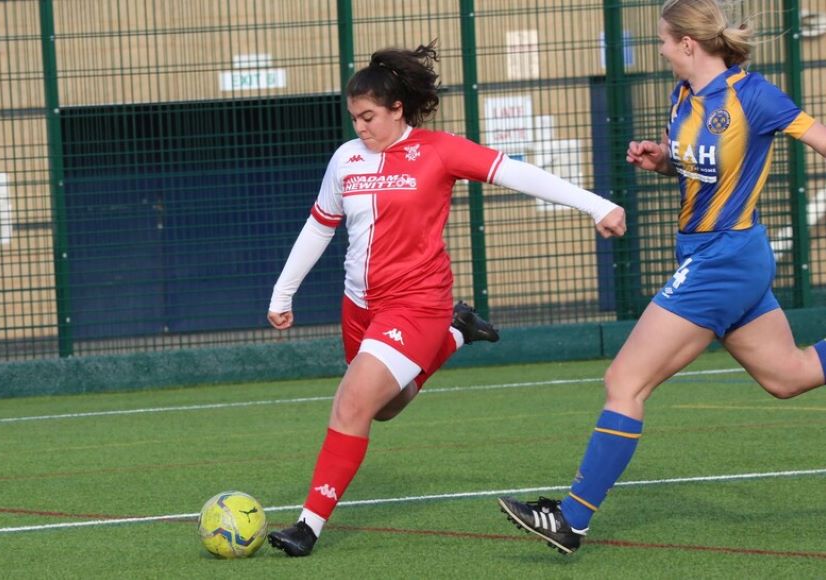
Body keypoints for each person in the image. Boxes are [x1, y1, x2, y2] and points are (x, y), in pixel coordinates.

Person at [266, 40, 626, 557]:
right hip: (358, 306)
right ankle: (457, 332)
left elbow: (519, 173)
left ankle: (307, 526)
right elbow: (320, 226)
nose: (360, 128)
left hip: (415, 303)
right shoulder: (345, 159)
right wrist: (284, 290)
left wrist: (595, 205)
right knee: (383, 410)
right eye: (354, 118)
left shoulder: (438, 150)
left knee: (350, 403)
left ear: (397, 109)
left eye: (369, 117)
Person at [498, 0, 826, 556]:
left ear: (688, 45)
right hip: (715, 257)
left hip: (725, 258)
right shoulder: (682, 97)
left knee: (625, 382)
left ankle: (571, 520)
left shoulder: (754, 96)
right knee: (788, 376)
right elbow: (705, 162)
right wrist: (663, 160)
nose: (660, 50)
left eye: (663, 42)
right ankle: (572, 519)